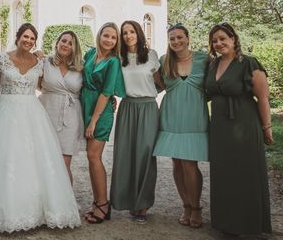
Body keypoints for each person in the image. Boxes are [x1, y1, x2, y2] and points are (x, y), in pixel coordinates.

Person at [0, 23, 81, 233]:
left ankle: (38, 211)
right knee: (5, 157)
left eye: (32, 38)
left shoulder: (40, 61)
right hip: (7, 111)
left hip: (32, 111)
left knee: (35, 159)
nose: (28, 41)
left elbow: (43, 85)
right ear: (18, 37)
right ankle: (2, 211)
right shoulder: (3, 59)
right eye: (25, 37)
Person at [205, 22, 273, 236]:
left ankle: (249, 224)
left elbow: (262, 98)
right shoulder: (213, 65)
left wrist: (266, 128)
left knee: (245, 174)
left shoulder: (248, 63)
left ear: (234, 39)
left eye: (223, 39)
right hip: (219, 127)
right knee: (223, 174)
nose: (219, 43)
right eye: (215, 40)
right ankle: (226, 224)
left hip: (244, 125)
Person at [152, 24, 209, 228]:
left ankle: (196, 208)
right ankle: (185, 205)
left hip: (194, 118)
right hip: (171, 116)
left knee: (190, 164)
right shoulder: (164, 61)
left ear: (187, 38)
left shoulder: (203, 59)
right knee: (177, 163)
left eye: (179, 37)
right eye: (172, 39)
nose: (176, 41)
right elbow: (157, 86)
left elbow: (214, 84)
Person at [111, 20, 161, 225]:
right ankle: (128, 200)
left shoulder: (151, 55)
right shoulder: (119, 58)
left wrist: (148, 97)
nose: (128, 35)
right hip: (127, 107)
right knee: (125, 155)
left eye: (131, 31)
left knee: (145, 155)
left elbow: (161, 83)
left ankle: (143, 204)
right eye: (124, 33)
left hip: (148, 108)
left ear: (139, 33)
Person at [81, 22, 126, 224]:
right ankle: (97, 202)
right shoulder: (90, 54)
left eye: (113, 37)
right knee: (91, 159)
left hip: (100, 111)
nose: (108, 40)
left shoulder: (113, 61)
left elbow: (107, 92)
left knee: (94, 156)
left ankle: (103, 204)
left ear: (117, 42)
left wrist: (93, 121)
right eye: (106, 35)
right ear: (99, 36)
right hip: (85, 105)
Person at [39, 30, 85, 184]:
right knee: (44, 160)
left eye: (70, 43)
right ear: (57, 42)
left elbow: (92, 89)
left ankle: (66, 205)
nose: (66, 44)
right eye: (63, 41)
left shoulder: (81, 67)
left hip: (70, 117)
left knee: (64, 163)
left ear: (75, 48)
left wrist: (111, 98)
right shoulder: (45, 62)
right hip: (46, 113)